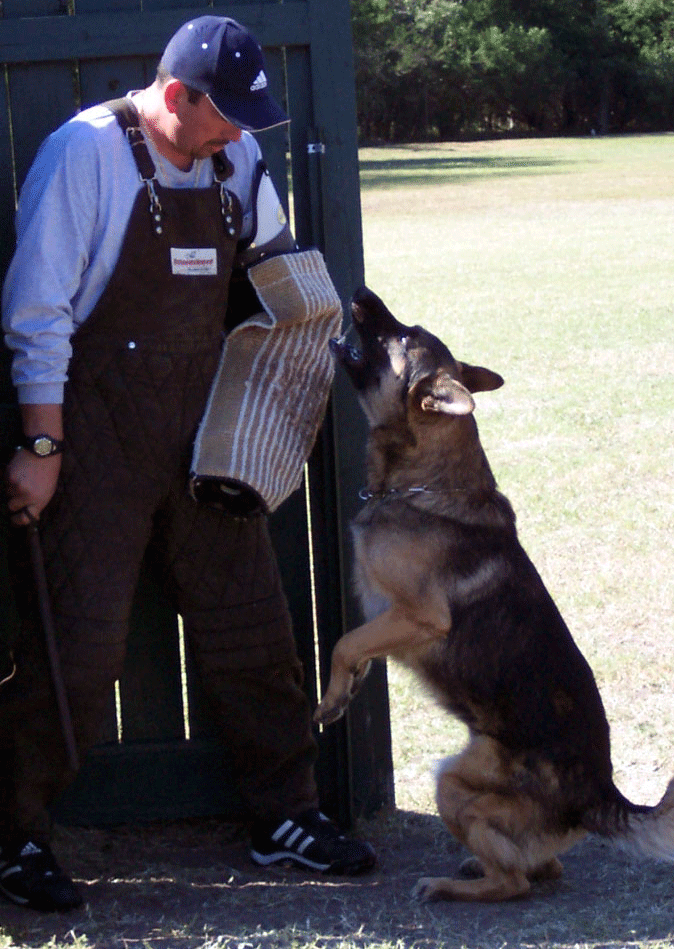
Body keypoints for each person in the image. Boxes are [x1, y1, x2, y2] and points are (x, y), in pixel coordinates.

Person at [0, 15, 375, 913]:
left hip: (207, 438)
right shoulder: (84, 154)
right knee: (81, 645)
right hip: (94, 437)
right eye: (227, 117)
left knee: (251, 623)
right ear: (177, 96)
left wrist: (294, 380)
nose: (241, 135)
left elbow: (283, 273)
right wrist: (43, 449)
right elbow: (37, 313)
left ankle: (287, 815)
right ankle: (13, 831)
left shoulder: (237, 164)